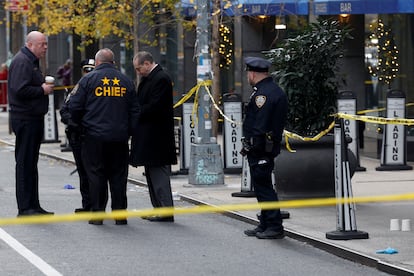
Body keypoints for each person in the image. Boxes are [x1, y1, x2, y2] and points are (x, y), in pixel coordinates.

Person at [68, 48, 139, 225]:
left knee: (95, 175)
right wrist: (129, 131)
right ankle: (120, 214)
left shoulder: (88, 80)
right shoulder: (126, 81)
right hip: (119, 138)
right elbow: (135, 111)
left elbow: (74, 106)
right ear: (113, 63)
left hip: (93, 137)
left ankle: (98, 213)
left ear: (97, 63)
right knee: (118, 176)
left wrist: (78, 126)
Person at [7, 31, 55, 216]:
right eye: (42, 44)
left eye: (46, 44)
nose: (45, 47)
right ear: (31, 44)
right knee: (25, 162)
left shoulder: (31, 61)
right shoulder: (22, 61)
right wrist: (41, 90)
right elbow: (19, 89)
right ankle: (25, 207)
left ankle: (33, 205)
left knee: (31, 163)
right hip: (25, 118)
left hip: (33, 118)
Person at [241, 56, 288, 239]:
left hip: (262, 149)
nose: (247, 76)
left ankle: (274, 226)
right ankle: (265, 223)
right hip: (263, 147)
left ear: (252, 73)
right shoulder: (269, 90)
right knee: (262, 187)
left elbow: (260, 125)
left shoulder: (263, 94)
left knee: (264, 187)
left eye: (248, 73)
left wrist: (253, 147)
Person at [129, 51, 177, 222]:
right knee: (151, 174)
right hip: (150, 136)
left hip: (157, 137)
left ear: (147, 63)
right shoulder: (150, 79)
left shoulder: (161, 79)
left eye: (139, 68)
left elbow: (155, 106)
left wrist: (136, 112)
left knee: (158, 175)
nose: (138, 72)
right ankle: (158, 208)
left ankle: (165, 210)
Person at [60, 58, 95, 213]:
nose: (89, 73)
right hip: (79, 136)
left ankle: (97, 205)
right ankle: (88, 204)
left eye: (91, 70)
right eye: (87, 70)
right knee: (83, 171)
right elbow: (64, 111)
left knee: (95, 172)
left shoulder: (101, 89)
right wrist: (74, 123)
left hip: (94, 136)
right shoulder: (77, 88)